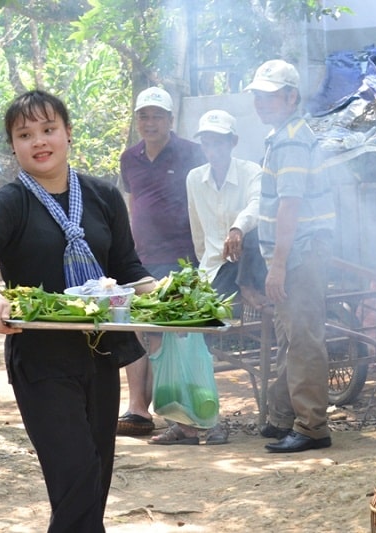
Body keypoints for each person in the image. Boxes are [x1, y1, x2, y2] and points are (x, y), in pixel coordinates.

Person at [0, 90, 155, 533]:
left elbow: (128, 269)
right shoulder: (8, 203)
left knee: (94, 478)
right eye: (25, 134)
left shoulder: (103, 196)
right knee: (76, 474)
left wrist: (164, 300)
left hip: (101, 355)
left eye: (48, 130)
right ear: (13, 145)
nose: (38, 141)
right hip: (41, 360)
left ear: (67, 134)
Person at [148, 110, 261, 446]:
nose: (212, 148)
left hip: (244, 268)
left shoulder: (250, 172)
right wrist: (199, 278)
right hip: (210, 271)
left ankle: (207, 422)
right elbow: (199, 235)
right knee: (167, 323)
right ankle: (181, 420)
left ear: (232, 142)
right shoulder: (194, 178)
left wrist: (238, 227)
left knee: (196, 334)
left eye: (219, 141)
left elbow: (257, 205)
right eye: (207, 142)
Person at [246, 60, 337, 453]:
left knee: (302, 339)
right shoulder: (283, 135)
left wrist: (279, 263)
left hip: (299, 252)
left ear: (291, 97)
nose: (262, 102)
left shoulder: (291, 139)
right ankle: (285, 416)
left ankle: (313, 426)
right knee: (292, 338)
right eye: (258, 95)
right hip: (294, 253)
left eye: (270, 95)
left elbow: (290, 204)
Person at [116, 87, 206, 436]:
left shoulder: (191, 153)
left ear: (171, 120)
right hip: (141, 259)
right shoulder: (130, 157)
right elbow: (130, 204)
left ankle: (176, 411)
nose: (149, 122)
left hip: (182, 257)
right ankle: (138, 409)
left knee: (167, 335)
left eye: (157, 116)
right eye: (143, 116)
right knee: (136, 332)